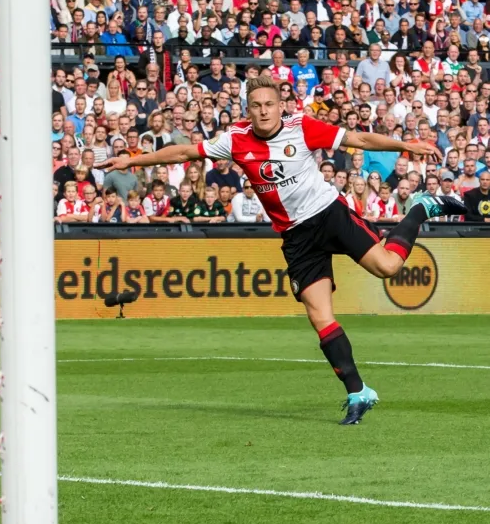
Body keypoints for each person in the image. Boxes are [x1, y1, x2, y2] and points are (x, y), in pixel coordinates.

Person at [100, 73, 466, 425]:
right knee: (320, 317)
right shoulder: (236, 139)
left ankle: (420, 207)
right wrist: (131, 159)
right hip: (296, 237)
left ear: (280, 106)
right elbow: (183, 153)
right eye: (256, 104)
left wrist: (406, 145)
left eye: (269, 104)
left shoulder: (302, 127)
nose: (263, 110)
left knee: (387, 267)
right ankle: (359, 393)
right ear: (248, 108)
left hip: (328, 214)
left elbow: (360, 141)